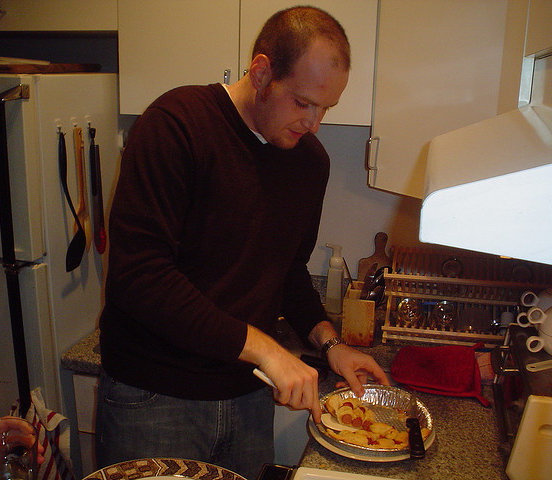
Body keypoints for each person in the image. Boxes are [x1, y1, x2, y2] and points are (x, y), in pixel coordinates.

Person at [96, 6, 390, 480]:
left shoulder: (309, 162)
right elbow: (140, 276)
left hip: (247, 396)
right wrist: (267, 350)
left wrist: (330, 342)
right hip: (154, 398)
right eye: (303, 103)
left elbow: (287, 270)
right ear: (262, 72)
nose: (314, 123)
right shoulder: (176, 125)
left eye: (326, 108)